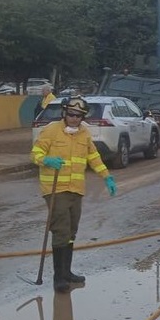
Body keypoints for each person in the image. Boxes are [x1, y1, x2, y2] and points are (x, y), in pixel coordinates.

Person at [30, 96, 118, 292]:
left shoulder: (84, 133)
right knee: (61, 231)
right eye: (71, 114)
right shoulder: (51, 130)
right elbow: (35, 154)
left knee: (71, 232)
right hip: (55, 189)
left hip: (76, 189)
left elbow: (93, 157)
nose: (74, 118)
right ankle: (58, 277)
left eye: (78, 115)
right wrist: (47, 160)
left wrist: (107, 177)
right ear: (64, 113)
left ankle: (67, 272)